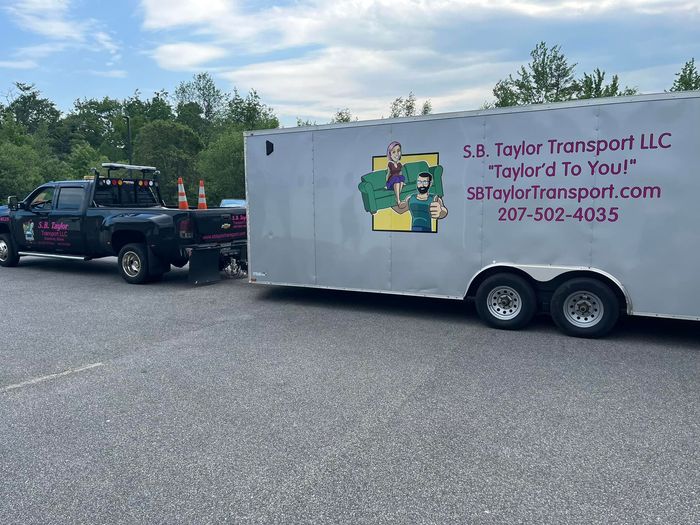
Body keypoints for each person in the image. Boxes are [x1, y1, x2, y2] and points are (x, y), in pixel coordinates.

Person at [385, 141, 405, 210]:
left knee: (401, 177)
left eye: (398, 151)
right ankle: (399, 201)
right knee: (396, 178)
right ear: (390, 154)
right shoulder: (390, 164)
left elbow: (400, 173)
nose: (396, 154)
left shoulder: (399, 164)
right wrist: (386, 184)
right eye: (393, 152)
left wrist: (402, 181)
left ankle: (397, 197)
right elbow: (388, 174)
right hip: (391, 182)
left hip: (397, 181)